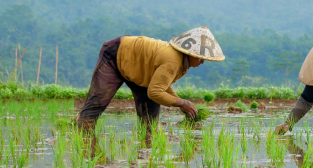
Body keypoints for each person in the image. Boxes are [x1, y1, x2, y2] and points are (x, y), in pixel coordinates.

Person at [77, 26, 225, 138]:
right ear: (190, 53)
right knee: (95, 106)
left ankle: (147, 158)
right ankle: (84, 144)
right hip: (115, 56)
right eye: (200, 58)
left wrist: (180, 101)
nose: (202, 62)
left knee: (149, 124)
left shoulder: (180, 62)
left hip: (141, 72)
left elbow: (162, 85)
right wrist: (181, 103)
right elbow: (155, 92)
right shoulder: (172, 61)